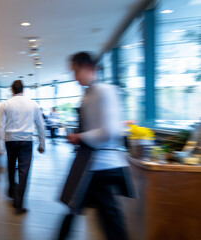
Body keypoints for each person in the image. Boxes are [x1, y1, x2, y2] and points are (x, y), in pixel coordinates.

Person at [58, 52, 137, 240]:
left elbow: (108, 131)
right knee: (101, 215)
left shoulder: (103, 91)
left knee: (104, 216)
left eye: (76, 71)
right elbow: (106, 127)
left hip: (100, 165)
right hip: (92, 163)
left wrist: (79, 137)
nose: (74, 76)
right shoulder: (90, 93)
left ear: (89, 68)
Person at [0, 80, 46, 214]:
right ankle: (19, 204)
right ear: (24, 89)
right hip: (27, 141)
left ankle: (11, 192)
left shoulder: (5, 104)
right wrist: (42, 144)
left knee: (11, 167)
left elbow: (0, 126)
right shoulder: (33, 104)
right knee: (24, 171)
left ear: (12, 90)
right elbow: (41, 125)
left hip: (10, 140)